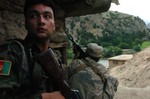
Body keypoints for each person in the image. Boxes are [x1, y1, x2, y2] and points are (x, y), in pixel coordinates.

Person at [0, 0, 66, 99]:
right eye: (33, 16)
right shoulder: (10, 53)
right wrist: (45, 97)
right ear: (26, 23)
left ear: (54, 24)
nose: (41, 21)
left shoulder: (56, 59)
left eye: (47, 16)